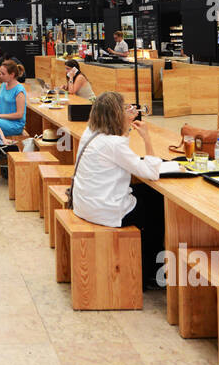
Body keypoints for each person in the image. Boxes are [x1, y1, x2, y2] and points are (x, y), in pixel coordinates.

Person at [70, 90, 164, 289]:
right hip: (107, 211)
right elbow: (152, 172)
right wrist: (146, 137)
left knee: (147, 195)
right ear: (116, 116)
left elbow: (117, 143)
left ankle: (149, 267)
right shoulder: (114, 145)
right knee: (157, 205)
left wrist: (125, 125)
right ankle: (149, 272)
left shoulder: (90, 132)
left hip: (84, 203)